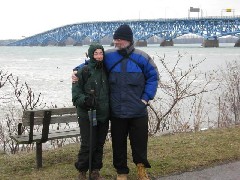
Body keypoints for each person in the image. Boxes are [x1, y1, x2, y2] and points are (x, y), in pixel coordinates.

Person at [73, 24, 159, 180]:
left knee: (139, 143)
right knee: (118, 144)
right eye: (115, 39)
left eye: (119, 39)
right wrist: (76, 71)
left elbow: (153, 77)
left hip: (138, 110)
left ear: (128, 40)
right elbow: (92, 64)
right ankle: (121, 173)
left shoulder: (142, 57)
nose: (116, 42)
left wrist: (146, 98)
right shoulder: (110, 55)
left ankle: (141, 170)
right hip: (117, 111)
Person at [72, 43, 109, 180]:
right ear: (91, 55)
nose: (99, 56)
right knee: (88, 144)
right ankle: (82, 171)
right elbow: (75, 96)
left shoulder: (107, 70)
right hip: (87, 115)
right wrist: (85, 100)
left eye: (101, 53)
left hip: (103, 115)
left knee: (99, 144)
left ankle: (95, 171)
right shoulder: (83, 71)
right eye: (96, 53)